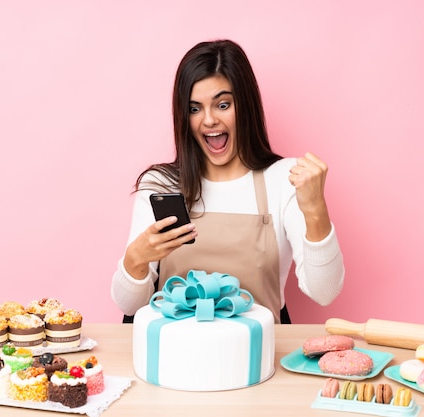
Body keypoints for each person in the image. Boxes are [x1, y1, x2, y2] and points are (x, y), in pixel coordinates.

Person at [111, 39, 344, 324]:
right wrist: (136, 259)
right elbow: (129, 306)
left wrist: (316, 210)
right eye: (195, 109)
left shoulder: (285, 178)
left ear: (245, 106)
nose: (208, 120)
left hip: (257, 358)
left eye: (222, 104)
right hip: (174, 357)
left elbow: (325, 292)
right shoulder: (161, 184)